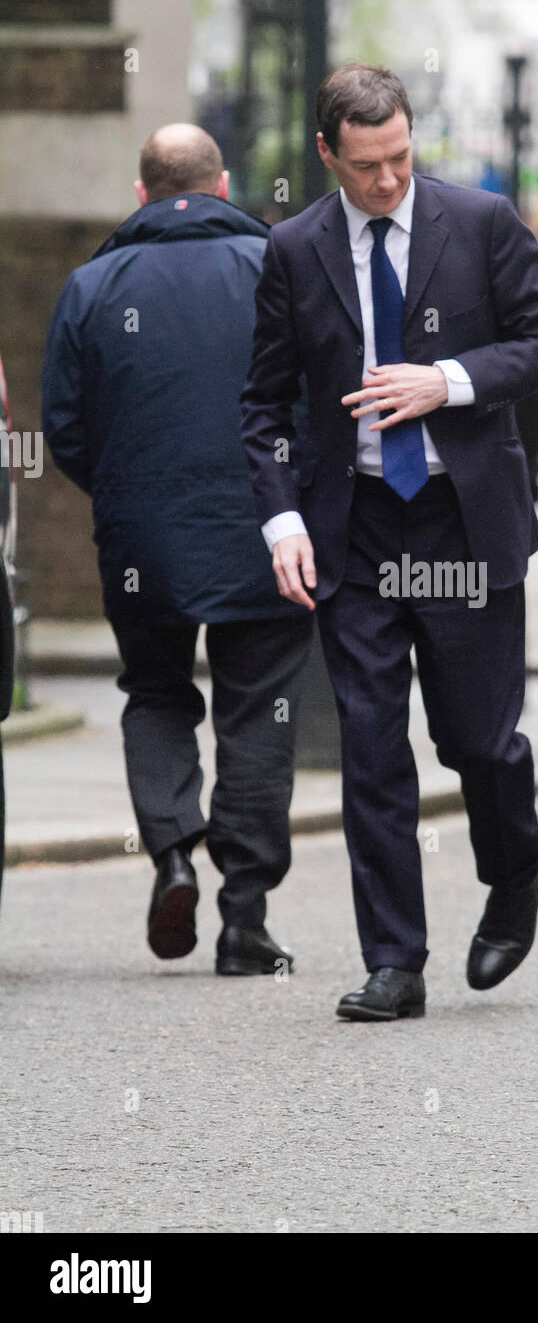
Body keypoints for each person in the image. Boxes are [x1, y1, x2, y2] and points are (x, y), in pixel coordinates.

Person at [241, 64, 538, 1022]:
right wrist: (282, 517)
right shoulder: (293, 250)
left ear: (411, 137)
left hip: (462, 518)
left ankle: (516, 870)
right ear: (327, 155)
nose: (386, 182)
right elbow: (263, 405)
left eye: (398, 159)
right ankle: (395, 960)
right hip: (356, 526)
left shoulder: (480, 224)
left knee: (478, 741)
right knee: (373, 747)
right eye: (364, 167)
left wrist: (449, 381)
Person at [42, 124, 313, 974]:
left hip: (140, 538)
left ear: (141, 193)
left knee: (156, 693)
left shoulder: (92, 287)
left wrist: (125, 495)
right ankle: (246, 918)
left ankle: (170, 856)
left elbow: (65, 428)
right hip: (263, 530)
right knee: (258, 712)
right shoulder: (279, 269)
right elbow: (312, 404)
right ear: (223, 184)